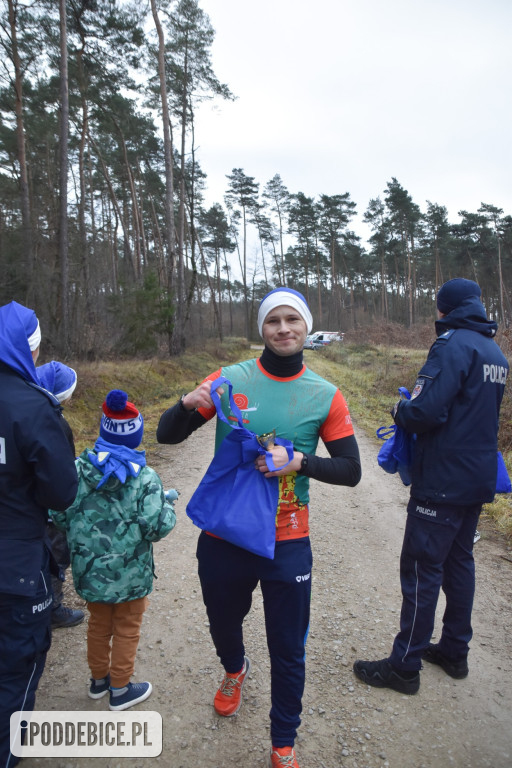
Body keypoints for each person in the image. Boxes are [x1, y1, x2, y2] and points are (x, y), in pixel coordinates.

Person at [157, 287, 361, 768]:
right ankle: (234, 668)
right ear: (262, 328)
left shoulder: (325, 395)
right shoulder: (230, 379)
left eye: (293, 320)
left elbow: (351, 470)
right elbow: (167, 436)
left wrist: (301, 462)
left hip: (288, 540)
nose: (284, 329)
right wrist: (187, 402)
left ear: (306, 328)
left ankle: (283, 740)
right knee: (223, 622)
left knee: (288, 646)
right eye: (274, 321)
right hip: (226, 535)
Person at [353, 278, 509, 695]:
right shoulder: (494, 351)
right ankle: (455, 651)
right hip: (478, 478)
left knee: (423, 568)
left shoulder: (452, 345)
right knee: (460, 562)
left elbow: (425, 412)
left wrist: (399, 409)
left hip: (442, 480)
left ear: (444, 308)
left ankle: (405, 665)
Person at [51, 389, 178, 711]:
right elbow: (157, 528)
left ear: (104, 430)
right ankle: (121, 690)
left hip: (90, 573)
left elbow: (58, 514)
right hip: (131, 577)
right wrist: (164, 503)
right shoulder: (145, 478)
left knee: (98, 624)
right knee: (126, 629)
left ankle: (99, 682)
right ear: (135, 436)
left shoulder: (78, 470)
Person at [0, 301, 79, 768]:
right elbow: (62, 492)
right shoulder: (34, 407)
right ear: (29, 348)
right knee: (16, 667)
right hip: (15, 566)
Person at [37, 361, 85, 629]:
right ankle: (52, 607)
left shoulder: (27, 412)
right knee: (56, 555)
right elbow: (64, 467)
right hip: (51, 505)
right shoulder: (57, 423)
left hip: (27, 503)